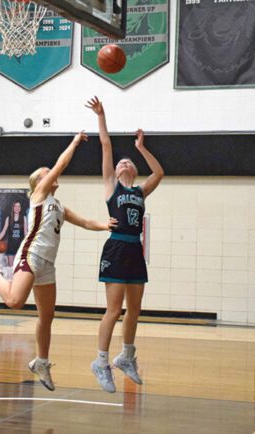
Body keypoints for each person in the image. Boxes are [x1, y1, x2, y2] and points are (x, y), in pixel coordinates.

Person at [0, 132, 117, 391]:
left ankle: (42, 362)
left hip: (48, 264)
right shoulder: (38, 196)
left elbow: (84, 222)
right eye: (45, 172)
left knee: (47, 316)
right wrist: (73, 142)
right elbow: (61, 164)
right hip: (31, 255)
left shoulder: (58, 206)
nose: (51, 173)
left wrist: (105, 225)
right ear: (39, 181)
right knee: (15, 302)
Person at [86, 96, 164, 393]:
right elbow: (106, 145)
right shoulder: (112, 187)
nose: (123, 162)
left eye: (127, 161)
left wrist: (141, 148)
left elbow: (159, 173)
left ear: (133, 170)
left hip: (135, 249)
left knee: (135, 309)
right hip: (117, 248)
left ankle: (126, 357)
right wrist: (101, 115)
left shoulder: (142, 191)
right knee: (114, 309)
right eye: (121, 162)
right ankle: (101, 362)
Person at [0, 200, 27, 266]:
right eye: (15, 206)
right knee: (10, 268)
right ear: (13, 207)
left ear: (20, 208)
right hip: (11, 246)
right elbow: (3, 231)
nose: (17, 208)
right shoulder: (8, 218)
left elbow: (25, 233)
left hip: (20, 246)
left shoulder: (24, 218)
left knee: (18, 268)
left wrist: (28, 244)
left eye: (19, 206)